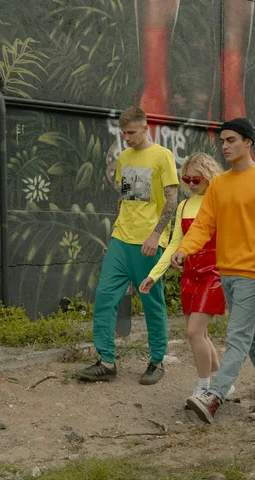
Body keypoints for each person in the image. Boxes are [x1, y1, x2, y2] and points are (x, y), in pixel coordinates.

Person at [172, 118, 255, 423]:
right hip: (225, 271)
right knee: (253, 335)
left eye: (232, 140)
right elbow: (203, 225)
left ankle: (214, 396)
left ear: (248, 142)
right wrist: (184, 249)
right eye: (222, 141)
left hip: (254, 272)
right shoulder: (220, 184)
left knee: (237, 338)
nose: (225, 146)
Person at [77, 106, 179, 385]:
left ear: (146, 128)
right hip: (121, 240)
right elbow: (125, 199)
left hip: (148, 243)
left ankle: (156, 361)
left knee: (152, 301)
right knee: (105, 296)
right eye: (123, 133)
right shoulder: (124, 157)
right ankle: (106, 362)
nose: (127, 138)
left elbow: (171, 201)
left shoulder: (163, 156)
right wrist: (114, 235)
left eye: (132, 132)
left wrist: (156, 236)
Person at [139, 153, 234, 400]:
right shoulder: (183, 206)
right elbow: (175, 243)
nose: (191, 184)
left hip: (215, 273)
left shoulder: (221, 202)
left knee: (194, 332)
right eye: (186, 179)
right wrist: (154, 275)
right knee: (201, 334)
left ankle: (204, 387)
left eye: (196, 180)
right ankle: (222, 383)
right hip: (190, 274)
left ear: (209, 177)